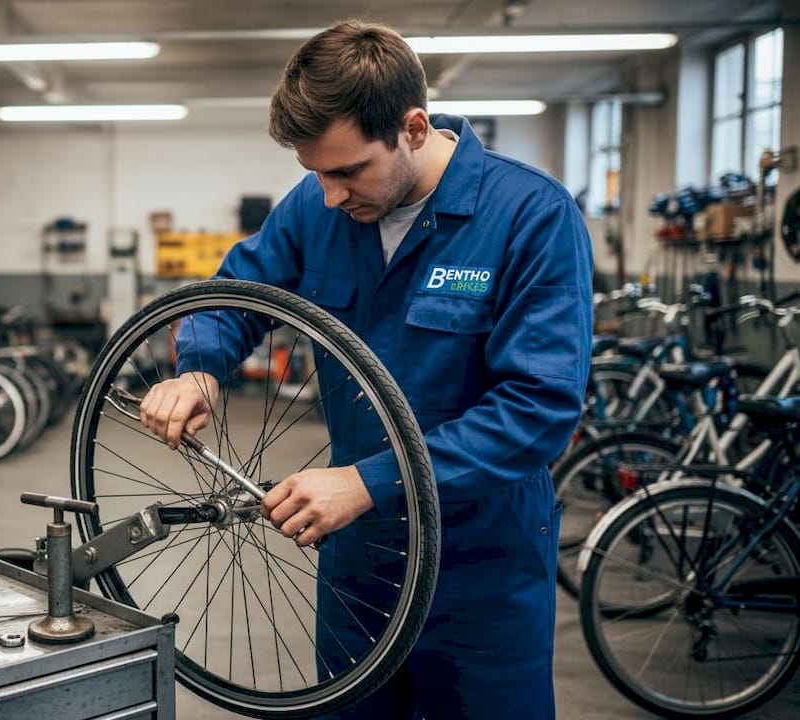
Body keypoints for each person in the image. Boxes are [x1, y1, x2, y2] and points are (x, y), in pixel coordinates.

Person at [137, 20, 592, 719]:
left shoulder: (529, 215)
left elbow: (539, 408)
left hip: (480, 567)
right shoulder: (318, 209)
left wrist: (369, 480)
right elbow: (232, 295)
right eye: (314, 173)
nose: (329, 195)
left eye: (348, 171)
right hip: (358, 564)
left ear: (412, 128)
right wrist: (199, 368)